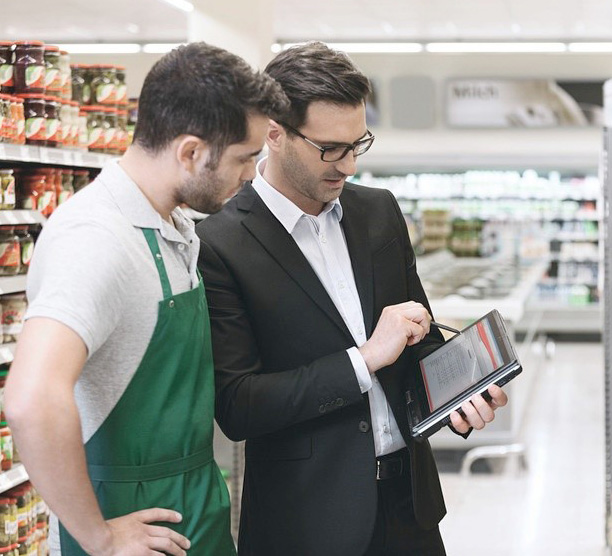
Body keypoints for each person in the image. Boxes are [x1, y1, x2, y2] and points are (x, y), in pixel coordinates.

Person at [197, 41, 509, 556]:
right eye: (330, 149)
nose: (350, 166)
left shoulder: (378, 211)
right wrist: (362, 360)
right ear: (274, 133)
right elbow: (239, 405)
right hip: (305, 524)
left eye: (358, 144)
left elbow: (419, 334)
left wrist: (459, 393)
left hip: (410, 509)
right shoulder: (221, 243)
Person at [5, 42, 288, 556]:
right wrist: (99, 537)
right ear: (190, 152)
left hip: (189, 503)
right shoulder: (95, 239)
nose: (251, 175)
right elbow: (30, 398)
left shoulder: (174, 224)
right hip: (126, 518)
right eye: (245, 158)